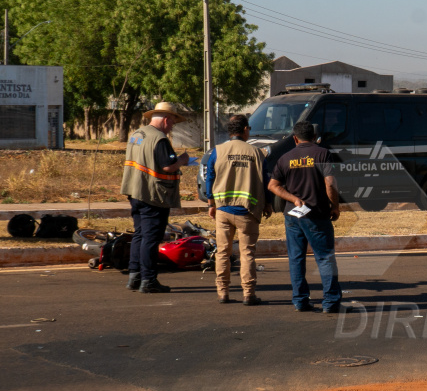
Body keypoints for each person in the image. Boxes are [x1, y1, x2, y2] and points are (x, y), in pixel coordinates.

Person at [268, 120, 343, 313]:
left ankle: (300, 301)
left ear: (295, 138)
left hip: (293, 216)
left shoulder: (285, 158)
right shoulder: (322, 153)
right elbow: (330, 184)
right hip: (317, 214)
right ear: (314, 137)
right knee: (325, 258)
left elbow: (273, 186)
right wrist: (334, 206)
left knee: (296, 258)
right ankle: (331, 302)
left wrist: (293, 199)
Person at [120, 102, 191, 293]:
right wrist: (182, 160)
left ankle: (134, 276)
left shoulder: (137, 134)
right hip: (154, 195)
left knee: (140, 234)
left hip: (135, 191)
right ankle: (149, 280)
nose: (171, 128)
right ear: (166, 119)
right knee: (151, 238)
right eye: (172, 124)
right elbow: (168, 166)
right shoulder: (159, 139)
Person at [206, 114, 272, 306]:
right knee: (247, 253)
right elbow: (265, 181)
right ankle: (248, 294)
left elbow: (210, 178)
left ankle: (223, 292)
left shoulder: (218, 151)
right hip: (247, 211)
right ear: (245, 130)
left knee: (223, 253)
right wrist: (267, 204)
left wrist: (211, 204)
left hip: (223, 210)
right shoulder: (257, 153)